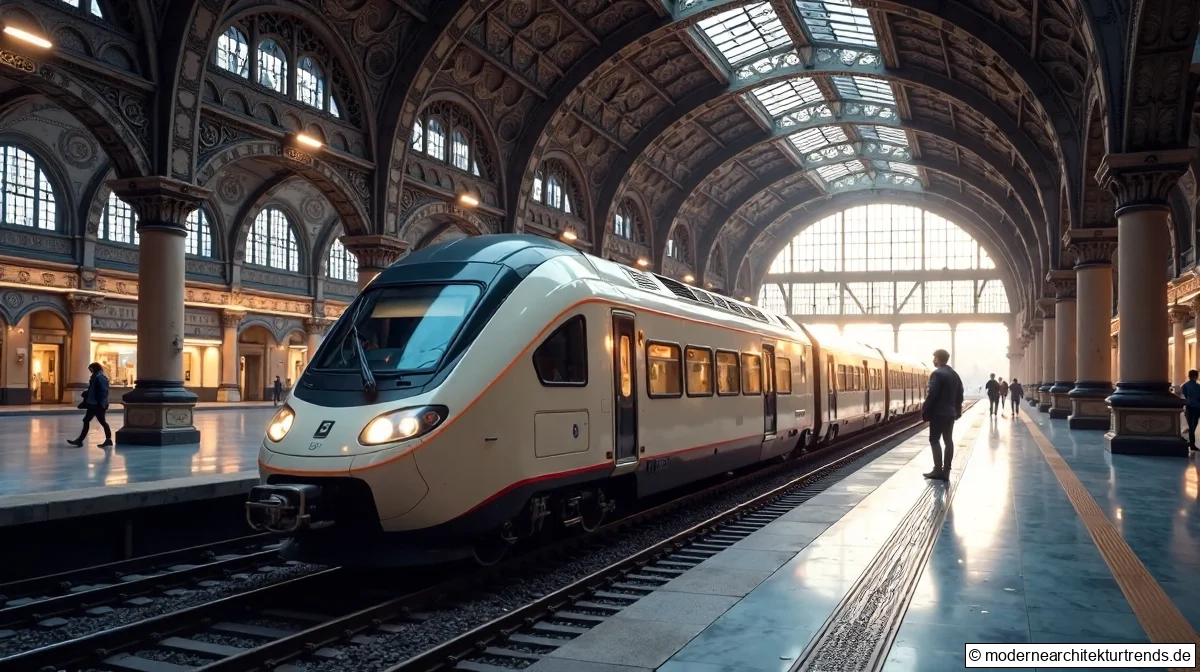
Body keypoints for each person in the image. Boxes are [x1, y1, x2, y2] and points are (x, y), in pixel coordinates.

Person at [922, 348, 964, 481]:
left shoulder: (937, 374)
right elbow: (960, 394)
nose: (933, 360)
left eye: (934, 358)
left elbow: (932, 393)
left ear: (938, 359)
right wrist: (957, 411)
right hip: (950, 413)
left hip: (938, 413)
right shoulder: (954, 375)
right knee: (948, 440)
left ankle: (937, 469)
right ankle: (946, 471)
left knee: (934, 440)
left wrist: (925, 408)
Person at [68, 363, 112, 448]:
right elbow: (94, 390)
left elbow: (102, 391)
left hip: (96, 404)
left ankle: (80, 440)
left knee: (91, 421)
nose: (90, 371)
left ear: (94, 368)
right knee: (97, 421)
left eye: (91, 369)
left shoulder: (98, 378)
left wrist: (100, 403)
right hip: (95, 404)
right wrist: (87, 393)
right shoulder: (97, 377)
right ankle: (108, 439)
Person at [1180, 370, 1200, 451]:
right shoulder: (1198, 387)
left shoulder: (1184, 386)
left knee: (1191, 425)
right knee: (1193, 425)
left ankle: (1191, 443)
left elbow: (1184, 395)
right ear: (1196, 376)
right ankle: (1192, 443)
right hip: (1196, 407)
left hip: (1189, 407)